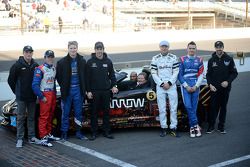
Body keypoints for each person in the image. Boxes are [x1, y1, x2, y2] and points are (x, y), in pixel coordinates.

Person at [8, 45, 40, 148]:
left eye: (30, 52)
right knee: (20, 118)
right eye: (27, 52)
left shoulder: (36, 65)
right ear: (23, 53)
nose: (28, 54)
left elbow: (39, 80)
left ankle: (31, 137)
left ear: (32, 53)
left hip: (32, 97)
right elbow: (10, 80)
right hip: (21, 97)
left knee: (31, 118)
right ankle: (20, 139)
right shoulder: (17, 65)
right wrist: (17, 91)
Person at [86, 41, 118, 140]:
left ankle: (106, 132)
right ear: (95, 50)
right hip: (94, 91)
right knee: (94, 112)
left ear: (103, 49)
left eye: (101, 49)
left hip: (105, 91)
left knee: (106, 112)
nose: (99, 51)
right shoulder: (90, 62)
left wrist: (114, 85)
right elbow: (87, 78)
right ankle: (94, 132)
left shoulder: (108, 61)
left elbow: (112, 75)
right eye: (97, 49)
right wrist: (88, 91)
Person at [56, 41, 88, 140]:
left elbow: (85, 76)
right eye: (71, 48)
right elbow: (59, 77)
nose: (73, 50)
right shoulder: (62, 62)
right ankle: (64, 133)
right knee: (65, 113)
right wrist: (65, 87)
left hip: (78, 90)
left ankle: (78, 132)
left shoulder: (82, 61)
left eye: (74, 48)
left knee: (78, 113)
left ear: (77, 48)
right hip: (67, 91)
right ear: (68, 49)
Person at [206, 41, 238, 134]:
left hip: (225, 89)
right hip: (214, 89)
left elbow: (234, 73)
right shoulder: (211, 60)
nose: (219, 49)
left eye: (220, 47)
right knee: (213, 108)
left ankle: (221, 126)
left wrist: (227, 82)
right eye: (217, 47)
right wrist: (210, 85)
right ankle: (211, 126)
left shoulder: (229, 59)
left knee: (223, 107)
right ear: (215, 48)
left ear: (223, 47)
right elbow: (208, 75)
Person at [150, 40, 179, 137]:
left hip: (171, 85)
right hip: (160, 86)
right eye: (162, 46)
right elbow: (153, 73)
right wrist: (162, 84)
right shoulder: (155, 58)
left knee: (173, 108)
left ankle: (173, 128)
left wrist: (169, 83)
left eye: (166, 46)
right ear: (160, 47)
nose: (164, 48)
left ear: (168, 47)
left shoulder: (173, 57)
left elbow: (176, 72)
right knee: (162, 108)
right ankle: (163, 128)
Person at [32, 50, 60, 147]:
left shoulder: (53, 68)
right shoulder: (40, 69)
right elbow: (34, 85)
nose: (50, 59)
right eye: (48, 57)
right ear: (45, 58)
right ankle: (43, 137)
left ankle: (48, 134)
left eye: (52, 57)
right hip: (45, 94)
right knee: (44, 116)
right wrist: (41, 96)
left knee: (51, 115)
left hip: (52, 93)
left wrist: (55, 94)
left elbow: (54, 83)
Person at [178, 41, 204, 138]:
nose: (192, 50)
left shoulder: (200, 60)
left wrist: (196, 86)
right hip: (185, 85)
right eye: (190, 48)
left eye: (193, 48)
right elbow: (179, 75)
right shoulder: (182, 59)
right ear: (187, 49)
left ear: (195, 49)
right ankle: (196, 125)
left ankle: (192, 128)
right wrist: (186, 86)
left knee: (194, 107)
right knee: (188, 106)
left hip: (195, 84)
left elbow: (201, 74)